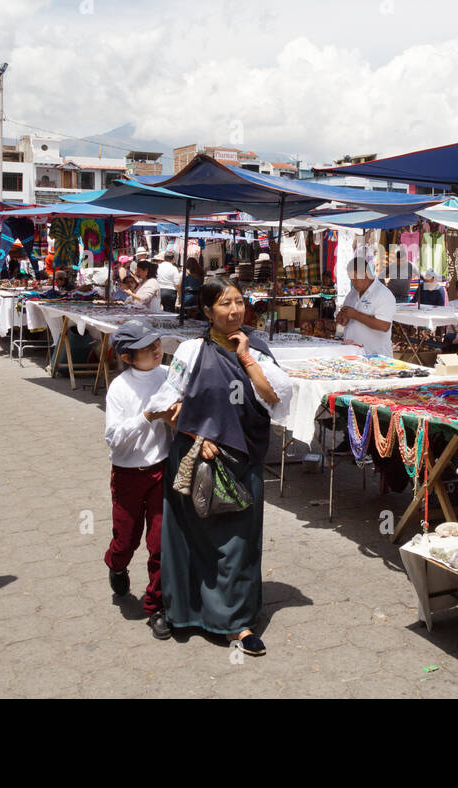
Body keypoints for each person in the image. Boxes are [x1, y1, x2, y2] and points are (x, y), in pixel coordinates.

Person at [153, 277, 293, 653]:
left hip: (242, 459)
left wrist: (246, 357)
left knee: (237, 543)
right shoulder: (191, 351)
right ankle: (181, 612)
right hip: (196, 457)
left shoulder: (259, 350)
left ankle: (237, 624)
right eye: (224, 304)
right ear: (207, 311)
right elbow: (164, 407)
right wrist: (200, 436)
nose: (234, 311)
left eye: (239, 302)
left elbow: (274, 396)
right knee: (188, 537)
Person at [104, 320, 175, 623]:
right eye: (145, 349)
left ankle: (156, 606)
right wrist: (147, 416)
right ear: (127, 358)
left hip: (162, 470)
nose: (155, 351)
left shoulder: (169, 375)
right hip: (128, 474)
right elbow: (115, 440)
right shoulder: (120, 388)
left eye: (156, 344)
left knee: (160, 542)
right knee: (126, 539)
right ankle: (117, 564)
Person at [338, 258, 395, 357]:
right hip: (353, 354)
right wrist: (342, 319)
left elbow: (384, 325)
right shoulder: (352, 294)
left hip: (376, 356)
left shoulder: (383, 294)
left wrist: (355, 315)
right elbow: (344, 319)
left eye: (356, 279)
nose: (353, 283)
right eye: (351, 279)